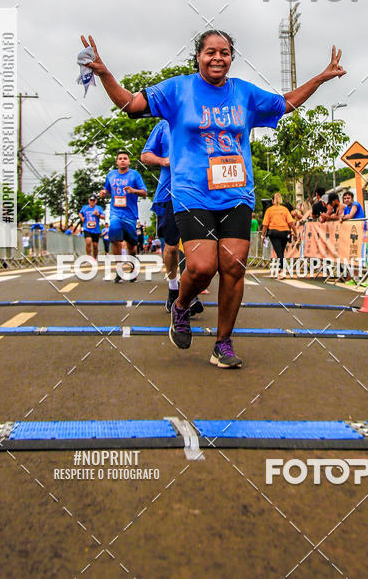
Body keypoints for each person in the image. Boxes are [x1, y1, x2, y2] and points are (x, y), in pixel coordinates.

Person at [80, 30, 345, 368]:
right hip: (192, 192)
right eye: (210, 52)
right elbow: (131, 103)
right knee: (203, 267)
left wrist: (321, 78)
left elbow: (286, 102)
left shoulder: (244, 94)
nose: (217, 58)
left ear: (231, 57)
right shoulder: (178, 90)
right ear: (198, 56)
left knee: (233, 267)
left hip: (236, 193)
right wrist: (103, 73)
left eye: (224, 52)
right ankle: (181, 307)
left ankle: (223, 343)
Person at [141, 119, 204, 315]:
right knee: (170, 247)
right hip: (169, 193)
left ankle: (189, 293)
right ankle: (173, 288)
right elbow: (145, 156)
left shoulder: (200, 119)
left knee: (196, 248)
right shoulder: (163, 125)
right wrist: (163, 160)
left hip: (197, 192)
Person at [99, 151, 147, 282]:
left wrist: (133, 190)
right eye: (120, 158)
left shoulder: (135, 175)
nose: (122, 160)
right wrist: (104, 192)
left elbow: (144, 192)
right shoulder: (111, 175)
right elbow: (107, 189)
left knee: (132, 246)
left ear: (129, 161)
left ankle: (132, 270)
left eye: (125, 158)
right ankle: (119, 270)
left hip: (130, 215)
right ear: (117, 161)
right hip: (115, 213)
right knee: (115, 239)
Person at [261, 192, 295, 277]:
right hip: (285, 232)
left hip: (274, 232)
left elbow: (265, 224)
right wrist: (296, 232)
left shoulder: (269, 210)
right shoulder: (285, 209)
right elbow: (291, 222)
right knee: (281, 251)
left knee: (279, 252)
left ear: (272, 201)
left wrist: (262, 235)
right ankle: (280, 268)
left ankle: (282, 270)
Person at [79, 193, 105, 261]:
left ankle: (95, 258)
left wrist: (98, 214)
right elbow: (80, 213)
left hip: (96, 230)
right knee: (88, 242)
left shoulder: (99, 208)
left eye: (93, 200)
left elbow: (104, 217)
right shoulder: (84, 207)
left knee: (95, 245)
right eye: (91, 200)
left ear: (96, 201)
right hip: (87, 228)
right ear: (88, 200)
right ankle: (88, 258)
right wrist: (81, 217)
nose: (92, 202)